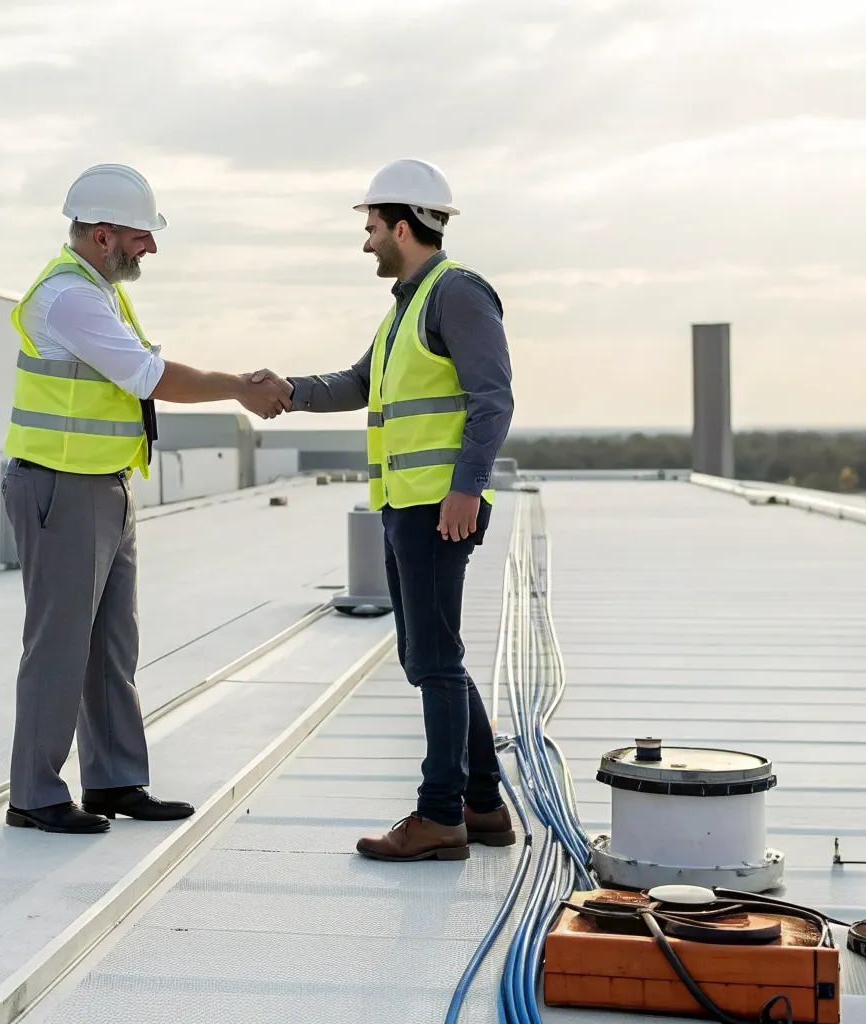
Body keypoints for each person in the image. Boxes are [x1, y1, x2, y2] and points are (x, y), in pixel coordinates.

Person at [2, 163, 292, 835]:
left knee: (111, 643)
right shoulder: (70, 298)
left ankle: (114, 780)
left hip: (103, 484)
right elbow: (147, 374)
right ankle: (35, 794)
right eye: (141, 236)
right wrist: (239, 388)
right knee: (59, 646)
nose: (151, 248)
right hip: (60, 487)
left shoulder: (100, 291)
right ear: (103, 235)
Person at [259, 158, 514, 861]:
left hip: (439, 506)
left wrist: (466, 487)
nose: (366, 240)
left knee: (433, 661)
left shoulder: (455, 294)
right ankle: (483, 805)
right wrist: (290, 389)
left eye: (371, 226)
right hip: (408, 506)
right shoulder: (409, 304)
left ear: (403, 225)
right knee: (432, 657)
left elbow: (494, 400)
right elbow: (357, 382)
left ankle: (440, 818)